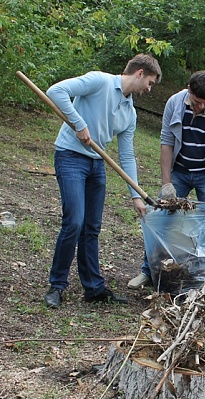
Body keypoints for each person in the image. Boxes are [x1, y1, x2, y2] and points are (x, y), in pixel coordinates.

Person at [43, 54, 162, 308]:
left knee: (91, 228)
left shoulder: (130, 113)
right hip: (70, 157)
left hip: (96, 164)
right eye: (150, 83)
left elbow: (127, 155)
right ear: (139, 73)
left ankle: (93, 288)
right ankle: (57, 285)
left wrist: (135, 195)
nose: (149, 89)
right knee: (74, 221)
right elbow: (56, 91)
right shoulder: (100, 81)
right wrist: (78, 123)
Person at [128, 70, 205, 290]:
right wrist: (167, 182)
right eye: (196, 102)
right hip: (180, 170)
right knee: (162, 218)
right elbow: (166, 142)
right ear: (188, 89)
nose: (200, 107)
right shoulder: (174, 104)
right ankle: (149, 272)